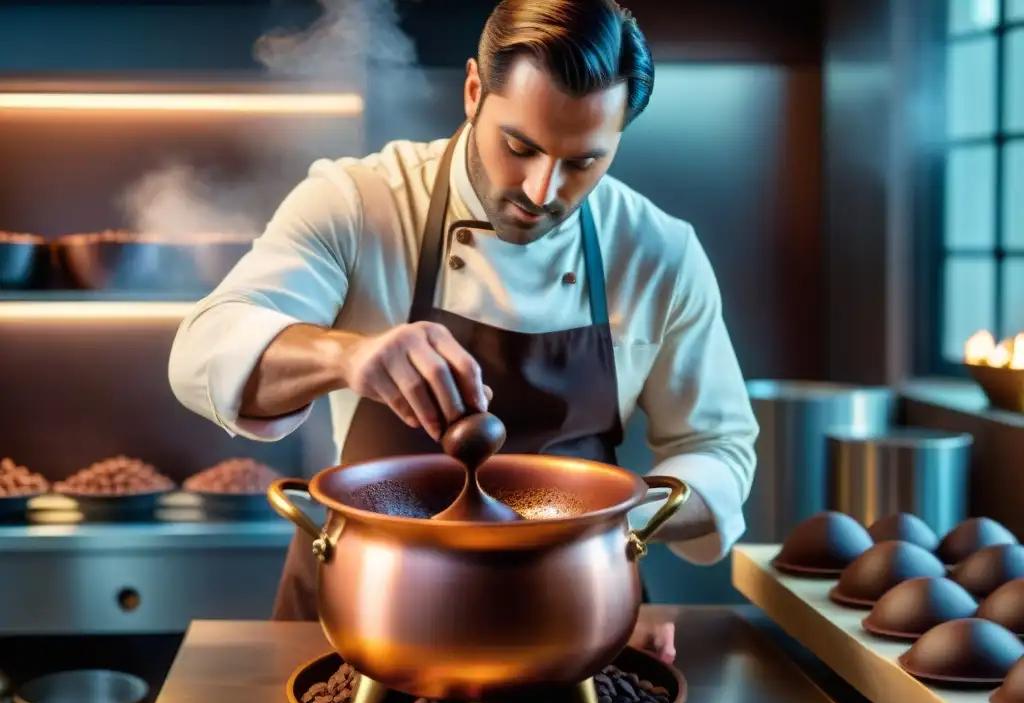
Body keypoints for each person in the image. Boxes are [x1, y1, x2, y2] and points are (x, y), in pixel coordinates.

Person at [168, 0, 758, 664]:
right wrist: (351, 356)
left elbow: (721, 451)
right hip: (367, 610)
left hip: (568, 622)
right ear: (475, 90)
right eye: (520, 146)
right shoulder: (360, 202)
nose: (543, 191)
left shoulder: (658, 252)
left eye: (583, 163)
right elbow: (203, 350)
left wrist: (607, 528)